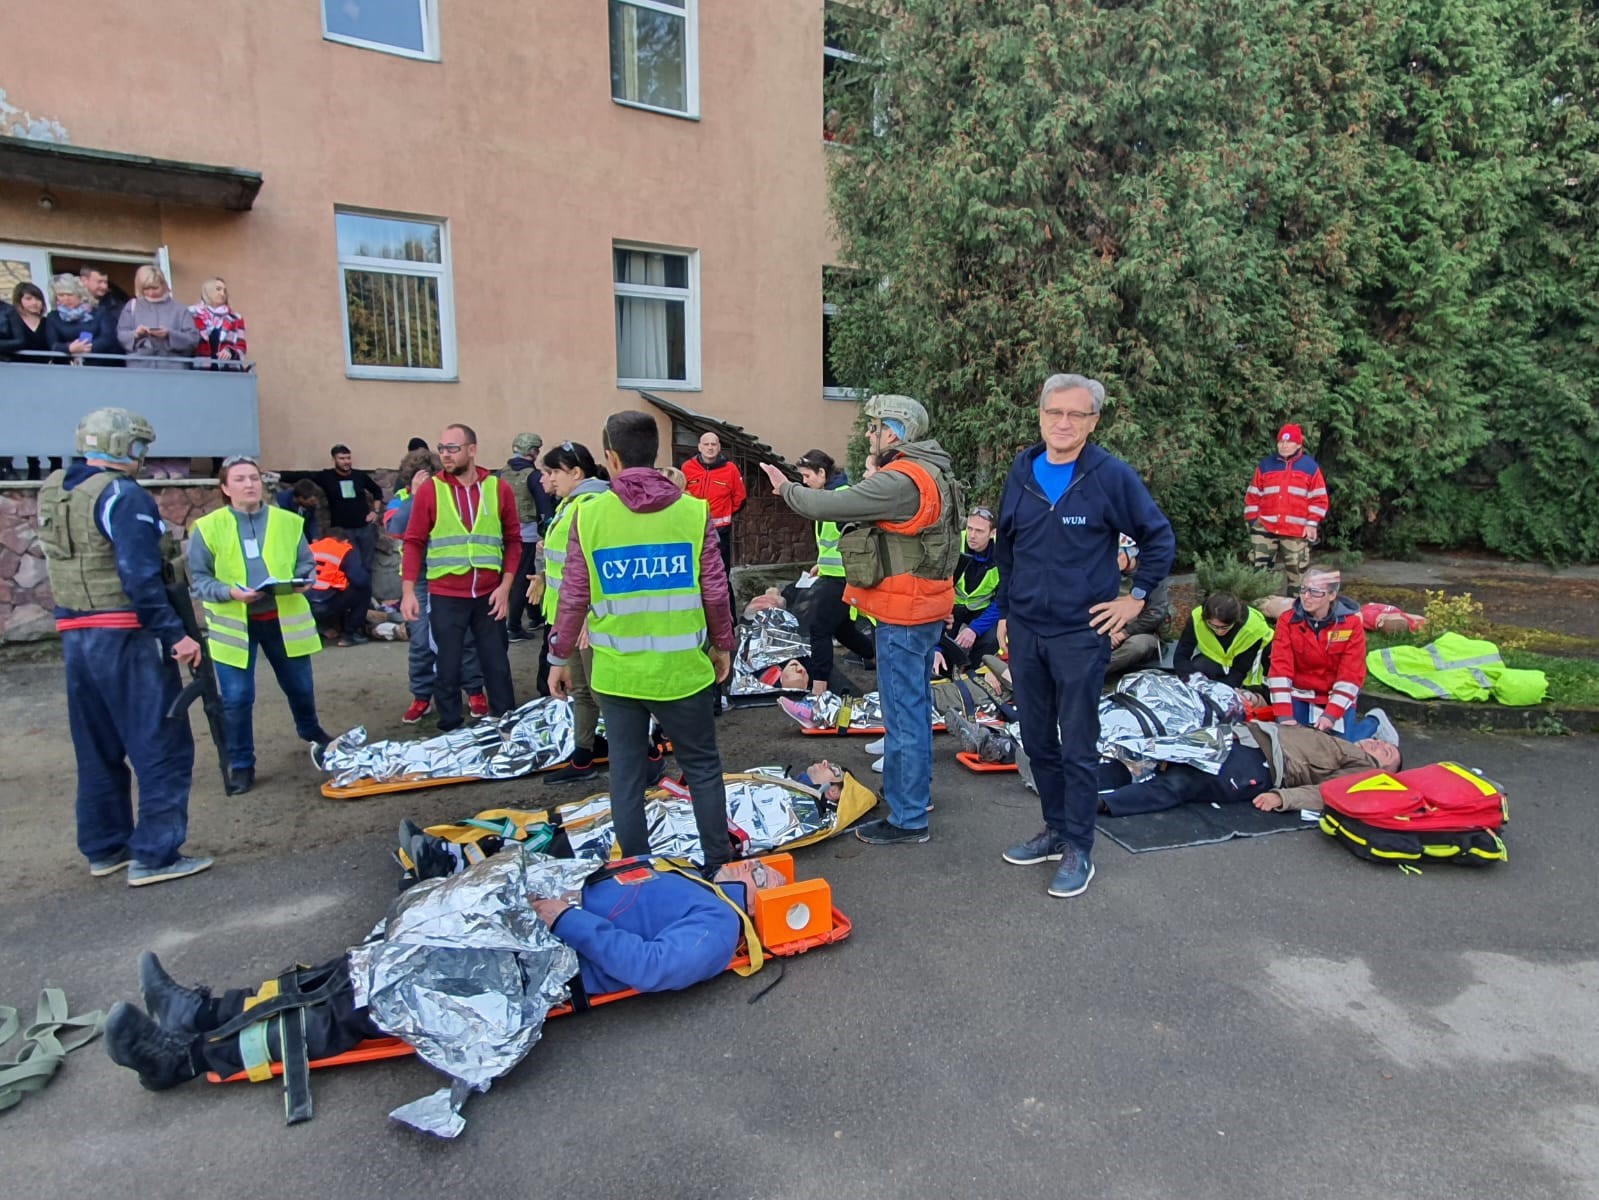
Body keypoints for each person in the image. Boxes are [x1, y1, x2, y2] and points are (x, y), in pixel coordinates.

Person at [102, 857, 790, 1093]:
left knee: (371, 999)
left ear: (762, 897)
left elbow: (650, 968)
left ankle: (184, 1058)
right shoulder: (682, 876)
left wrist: (561, 919)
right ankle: (205, 1008)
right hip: (519, 927)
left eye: (761, 871)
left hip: (532, 965)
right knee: (367, 960)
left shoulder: (718, 925)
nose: (751, 861)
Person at [994, 373, 1176, 898]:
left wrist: (1136, 597)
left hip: (1080, 632)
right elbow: (1008, 547)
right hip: (1027, 630)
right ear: (1041, 415)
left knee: (1076, 744)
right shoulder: (1023, 471)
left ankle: (1079, 846)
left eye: (1076, 414)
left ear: (1093, 422)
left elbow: (1158, 537)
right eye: (1055, 412)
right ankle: (1054, 829)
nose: (1064, 423)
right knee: (1035, 740)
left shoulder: (1109, 475)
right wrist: (1005, 609)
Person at [759, 394, 964, 846]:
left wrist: (784, 488)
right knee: (911, 709)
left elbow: (828, 506)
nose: (869, 436)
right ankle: (915, 797)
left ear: (894, 432)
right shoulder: (930, 470)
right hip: (923, 607)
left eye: (874, 428)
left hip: (904, 614)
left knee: (903, 715)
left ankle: (908, 817)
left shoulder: (901, 480)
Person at [548, 411, 736, 873]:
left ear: (610, 457)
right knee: (704, 769)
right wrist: (722, 645)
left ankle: (636, 869)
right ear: (657, 456)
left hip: (617, 674)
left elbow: (574, 594)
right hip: (682, 675)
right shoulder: (694, 512)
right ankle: (718, 863)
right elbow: (715, 589)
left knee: (627, 776)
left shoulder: (588, 517)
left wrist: (559, 656)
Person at [36, 407, 211, 886]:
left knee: (97, 746)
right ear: (122, 447)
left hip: (78, 635)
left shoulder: (57, 490)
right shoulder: (122, 495)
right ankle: (155, 855)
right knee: (161, 744)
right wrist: (173, 634)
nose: (143, 456)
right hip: (127, 634)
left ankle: (105, 846)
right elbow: (140, 574)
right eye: (138, 446)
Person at [189, 456, 333, 796]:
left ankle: (313, 734)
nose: (250, 484)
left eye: (253, 478)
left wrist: (304, 581)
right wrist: (229, 592)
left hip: (282, 619)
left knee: (299, 686)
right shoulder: (207, 528)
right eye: (239, 479)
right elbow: (199, 580)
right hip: (234, 624)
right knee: (237, 698)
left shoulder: (287, 521)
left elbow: (306, 563)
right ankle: (241, 764)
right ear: (225, 488)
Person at [400, 424, 520, 732]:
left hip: (489, 594)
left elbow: (513, 541)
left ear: (472, 449)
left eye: (452, 448)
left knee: (496, 663)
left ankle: (507, 724)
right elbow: (413, 541)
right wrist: (409, 591)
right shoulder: (431, 489)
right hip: (446, 594)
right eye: (441, 449)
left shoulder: (498, 487)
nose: (445, 455)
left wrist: (506, 588)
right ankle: (450, 727)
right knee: (448, 666)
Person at [1098, 720, 1401, 817]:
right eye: (1379, 742)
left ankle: (1101, 803)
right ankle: (1072, 780)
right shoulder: (1337, 739)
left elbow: (1328, 792)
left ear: (1388, 769)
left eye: (1387, 751)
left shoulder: (1366, 769)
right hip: (1243, 735)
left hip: (1261, 764)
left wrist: (1284, 798)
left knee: (1185, 780)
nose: (1379, 745)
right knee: (1153, 755)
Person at [536, 440, 618, 784]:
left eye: (554, 471)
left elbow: (592, 567)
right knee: (582, 690)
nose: (549, 479)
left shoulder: (590, 506)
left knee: (602, 691)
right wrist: (540, 577)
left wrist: (585, 614)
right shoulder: (570, 505)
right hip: (569, 617)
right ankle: (583, 756)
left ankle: (644, 753)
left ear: (575, 472)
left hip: (585, 619)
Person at [387, 451, 488, 723]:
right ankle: (421, 695)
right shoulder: (400, 500)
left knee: (462, 638)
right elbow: (395, 527)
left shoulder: (449, 494)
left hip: (447, 575)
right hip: (418, 580)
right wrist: (418, 497)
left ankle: (475, 691)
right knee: (420, 640)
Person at [792, 449, 877, 695]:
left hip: (843, 577)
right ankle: (877, 659)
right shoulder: (830, 495)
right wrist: (822, 563)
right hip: (835, 573)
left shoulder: (839, 498)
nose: (804, 481)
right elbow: (834, 540)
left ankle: (819, 691)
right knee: (842, 629)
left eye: (807, 476)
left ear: (822, 472)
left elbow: (854, 538)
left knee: (819, 629)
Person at [1268, 567, 1377, 741]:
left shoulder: (1351, 624)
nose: (1306, 597)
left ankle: (1374, 722)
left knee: (1343, 747)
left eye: (1315, 592)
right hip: (1300, 694)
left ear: (1332, 595)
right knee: (1292, 742)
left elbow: (1351, 674)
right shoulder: (1287, 620)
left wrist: (1332, 714)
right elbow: (1280, 668)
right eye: (1303, 589)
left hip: (1333, 695)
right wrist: (1283, 715)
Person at [1245, 423, 1328, 591]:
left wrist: (1312, 523)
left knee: (1297, 576)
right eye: (1281, 442)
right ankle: (1261, 612)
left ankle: (1296, 613)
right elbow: (1253, 494)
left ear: (1298, 444)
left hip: (1295, 531)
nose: (1284, 445)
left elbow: (1319, 499)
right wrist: (1252, 521)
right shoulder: (1265, 465)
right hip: (1265, 528)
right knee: (1259, 575)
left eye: (1288, 442)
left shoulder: (1310, 467)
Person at [284, 445, 385, 574]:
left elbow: (377, 491)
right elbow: (302, 476)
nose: (346, 461)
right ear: (334, 460)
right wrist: (277, 475)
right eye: (342, 458)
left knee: (367, 564)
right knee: (348, 565)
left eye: (348, 458)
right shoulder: (326, 476)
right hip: (342, 530)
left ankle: (364, 591)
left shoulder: (359, 476)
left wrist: (375, 512)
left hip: (363, 527)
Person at [937, 506, 1002, 673]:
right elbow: (936, 587)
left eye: (979, 531)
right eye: (970, 528)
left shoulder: (1003, 555)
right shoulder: (954, 544)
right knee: (942, 645)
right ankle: (943, 673)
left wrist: (975, 629)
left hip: (981, 609)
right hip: (951, 606)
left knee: (991, 638)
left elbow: (1002, 600)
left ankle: (971, 673)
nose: (972, 536)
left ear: (992, 533)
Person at [1, 282, 56, 479]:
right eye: (28, 298)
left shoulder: (48, 322)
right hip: (21, 378)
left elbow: (54, 346)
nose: (34, 303)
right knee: (27, 420)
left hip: (46, 377)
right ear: (19, 301)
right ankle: (33, 463)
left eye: (37, 298)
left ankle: (55, 462)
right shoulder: (15, 321)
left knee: (49, 420)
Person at [501, 432, 552, 641]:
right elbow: (543, 506)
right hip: (527, 534)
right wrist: (548, 528)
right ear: (532, 451)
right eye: (537, 450)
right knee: (523, 577)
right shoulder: (533, 475)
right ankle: (513, 626)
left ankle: (535, 615)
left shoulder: (501, 474)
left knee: (526, 573)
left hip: (502, 532)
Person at [1172, 592, 1274, 687]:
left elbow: (1240, 670)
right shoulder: (1197, 618)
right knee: (1198, 666)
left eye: (1225, 627)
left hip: (1251, 669)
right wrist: (1192, 680)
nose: (1219, 631)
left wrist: (1219, 690)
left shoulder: (1253, 629)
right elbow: (1181, 655)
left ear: (1236, 621)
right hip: (1219, 661)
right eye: (1213, 626)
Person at [1104, 536, 1171, 681]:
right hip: (1109, 629)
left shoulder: (1153, 576)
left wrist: (1122, 634)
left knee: (1136, 646)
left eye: (1117, 554)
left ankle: (1093, 671)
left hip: (1144, 634)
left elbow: (1156, 614)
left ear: (1132, 552)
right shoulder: (1105, 575)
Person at [682, 431, 746, 570]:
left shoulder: (730, 469)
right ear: (699, 447)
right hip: (693, 527)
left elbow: (740, 498)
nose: (710, 447)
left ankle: (725, 592)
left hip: (720, 530)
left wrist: (725, 512)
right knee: (695, 567)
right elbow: (681, 493)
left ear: (719, 447)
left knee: (720, 569)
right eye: (706, 444)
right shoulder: (687, 467)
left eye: (713, 444)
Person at [116, 264, 199, 369]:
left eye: (155, 288)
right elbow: (121, 334)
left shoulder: (180, 309)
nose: (150, 293)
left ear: (163, 284)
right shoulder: (132, 306)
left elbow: (193, 339)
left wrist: (169, 335)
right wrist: (136, 334)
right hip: (139, 368)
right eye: (146, 288)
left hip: (172, 369)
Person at [307, 531, 373, 647]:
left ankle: (320, 627)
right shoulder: (343, 549)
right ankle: (349, 636)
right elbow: (360, 580)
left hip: (303, 605)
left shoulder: (310, 548)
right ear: (345, 541)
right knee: (364, 590)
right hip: (324, 605)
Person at [45, 273, 120, 367]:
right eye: (61, 295)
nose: (66, 298)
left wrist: (83, 348)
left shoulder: (99, 312)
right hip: (68, 369)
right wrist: (69, 348)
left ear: (80, 293)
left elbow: (107, 338)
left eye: (70, 294)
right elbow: (53, 345)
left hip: (99, 366)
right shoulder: (53, 317)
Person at [186, 277, 248, 370]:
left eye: (225, 291)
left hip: (228, 372)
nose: (222, 294)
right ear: (207, 291)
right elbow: (184, 342)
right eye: (218, 289)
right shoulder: (191, 314)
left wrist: (230, 351)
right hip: (198, 371)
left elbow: (241, 347)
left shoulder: (235, 318)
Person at [79, 263, 129, 332]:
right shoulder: (69, 302)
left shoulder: (116, 306)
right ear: (84, 280)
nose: (104, 286)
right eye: (99, 282)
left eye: (105, 282)